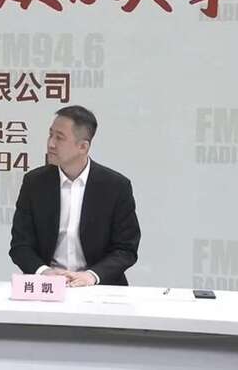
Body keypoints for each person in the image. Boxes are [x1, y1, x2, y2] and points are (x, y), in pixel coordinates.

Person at [9, 105, 140, 286]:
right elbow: (20, 245)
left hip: (98, 286)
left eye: (59, 138)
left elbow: (126, 249)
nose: (51, 144)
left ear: (83, 147)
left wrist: (91, 276)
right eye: (50, 135)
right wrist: (44, 272)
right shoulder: (34, 183)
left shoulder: (116, 186)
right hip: (48, 286)